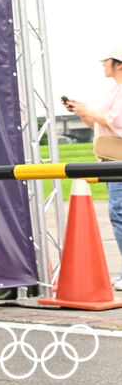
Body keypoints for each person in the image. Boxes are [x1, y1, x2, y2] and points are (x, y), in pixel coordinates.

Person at [64, 51, 122, 291]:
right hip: (111, 160)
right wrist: (82, 112)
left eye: (106, 61)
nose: (103, 65)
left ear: (118, 64)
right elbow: (99, 123)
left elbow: (115, 122)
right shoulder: (113, 91)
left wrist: (88, 110)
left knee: (119, 212)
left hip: (117, 161)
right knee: (118, 213)